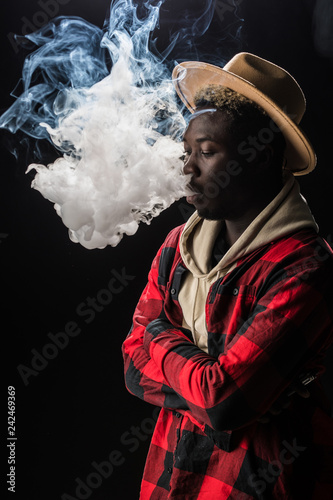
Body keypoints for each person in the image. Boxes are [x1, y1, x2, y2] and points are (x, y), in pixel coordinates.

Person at [122, 53, 333, 499]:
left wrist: (159, 338)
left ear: (261, 158)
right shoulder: (176, 246)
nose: (188, 169)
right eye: (188, 152)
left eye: (208, 152)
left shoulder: (307, 267)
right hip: (169, 479)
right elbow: (130, 366)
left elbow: (224, 402)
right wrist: (209, 389)